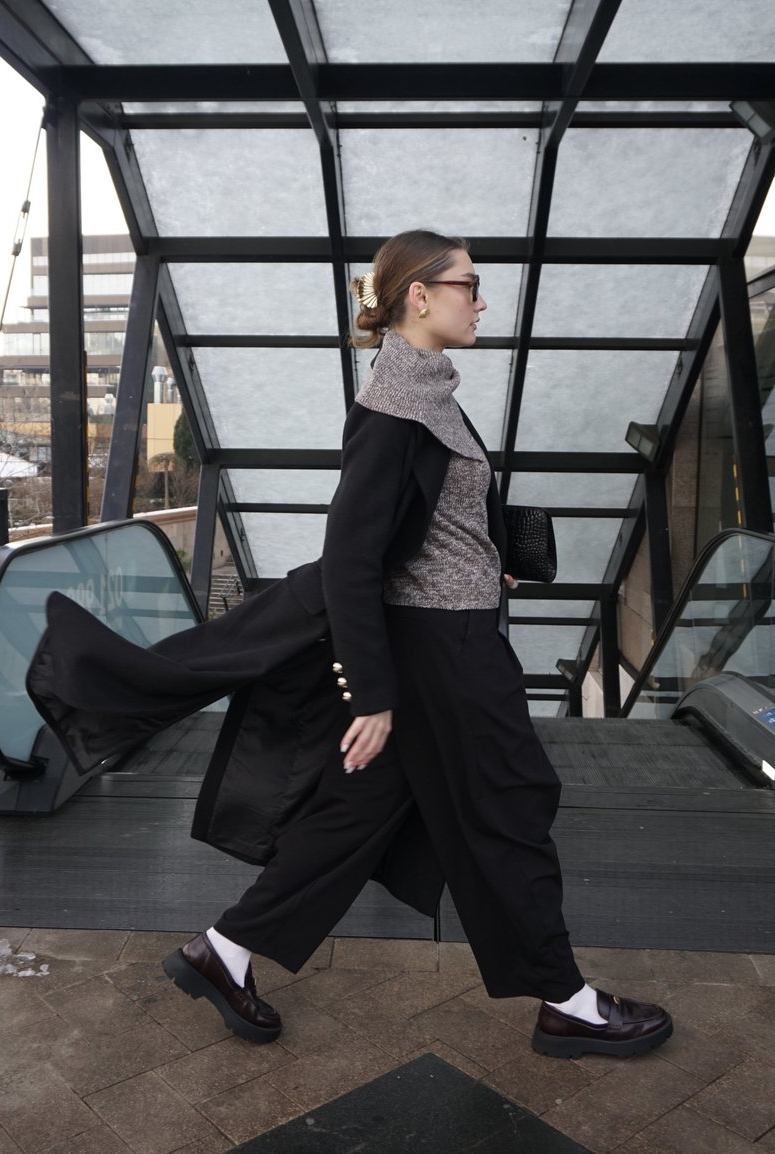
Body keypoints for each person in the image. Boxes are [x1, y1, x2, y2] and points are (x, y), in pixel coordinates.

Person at [159, 229, 673, 1061]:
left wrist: (484, 565)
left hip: (452, 635)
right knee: (512, 807)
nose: (482, 298)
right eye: (469, 283)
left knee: (354, 817)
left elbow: (423, 525)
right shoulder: (393, 409)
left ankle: (221, 952)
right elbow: (352, 560)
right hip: (447, 658)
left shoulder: (428, 391)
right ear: (419, 296)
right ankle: (567, 1002)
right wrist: (376, 694)